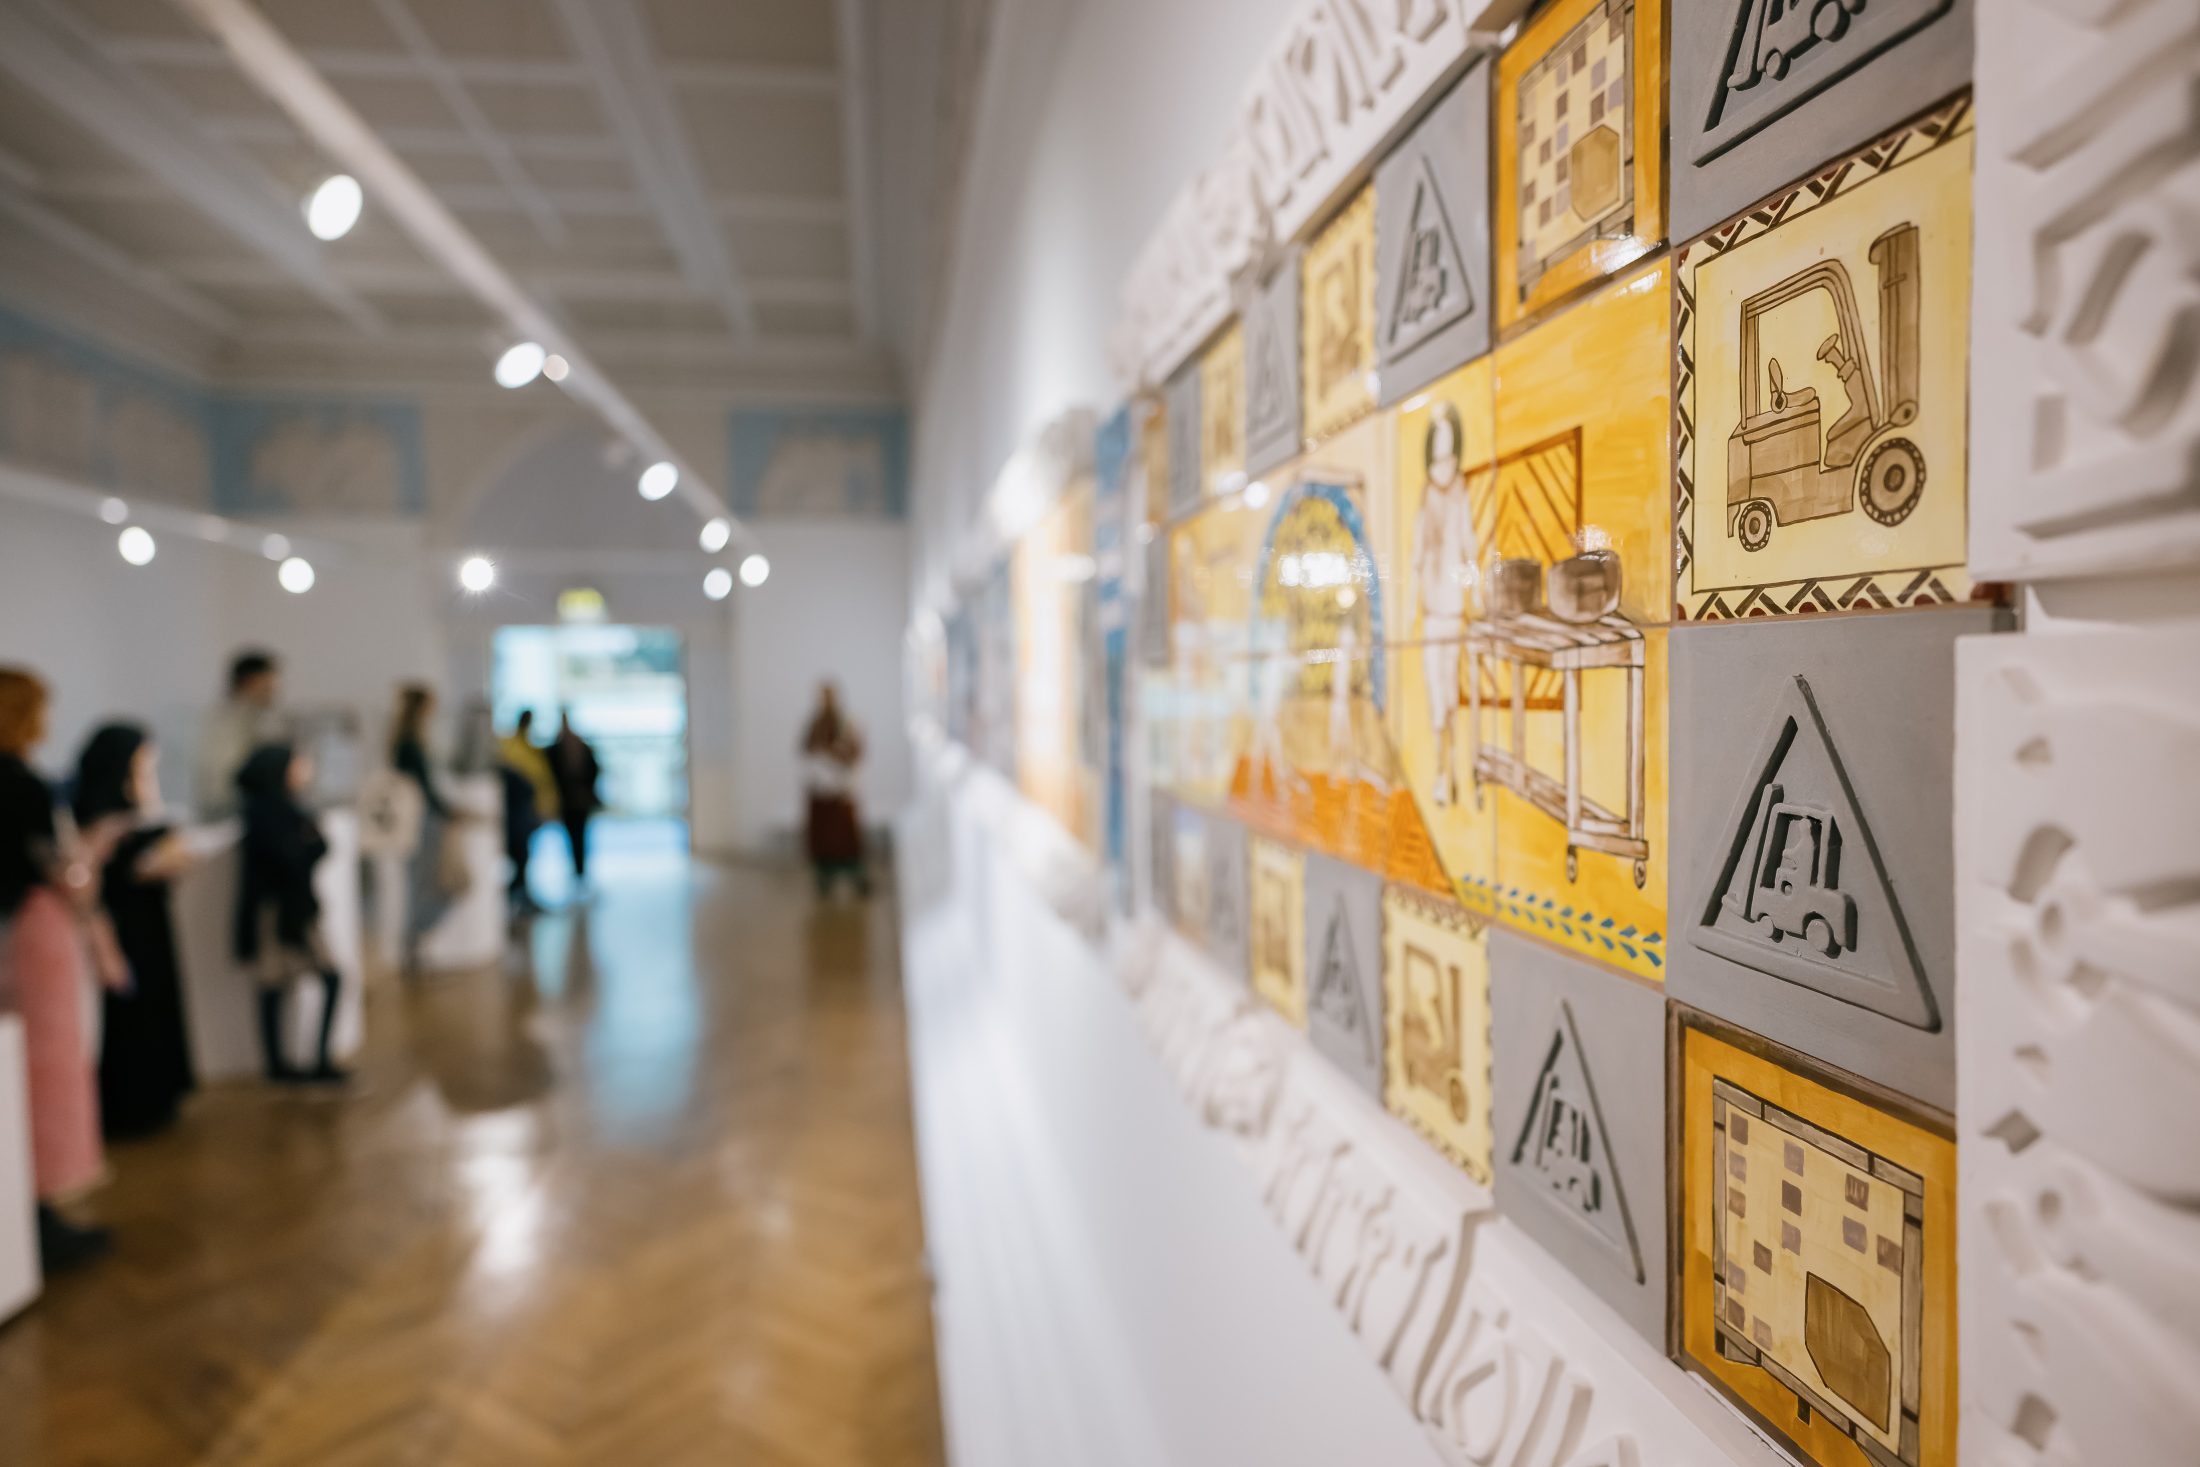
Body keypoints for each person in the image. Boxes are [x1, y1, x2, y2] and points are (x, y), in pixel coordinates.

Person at [0, 668, 113, 1270]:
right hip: (34, 936)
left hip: (10, 935)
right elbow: (64, 877)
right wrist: (90, 858)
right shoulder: (23, 785)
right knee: (46, 1070)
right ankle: (40, 1209)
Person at [73, 724, 200, 1138]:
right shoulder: (93, 808)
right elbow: (92, 871)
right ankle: (129, 1104)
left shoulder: (133, 802)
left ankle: (157, 1094)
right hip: (121, 923)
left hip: (148, 921)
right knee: (128, 1010)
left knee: (153, 1003)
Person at [233, 744, 347, 1085]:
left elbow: (310, 848)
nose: (304, 769)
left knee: (283, 984)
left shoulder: (279, 810)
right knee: (278, 984)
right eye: (298, 764)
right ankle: (288, 1066)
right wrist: (310, 844)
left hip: (290, 910)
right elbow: (297, 854)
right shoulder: (267, 812)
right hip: (279, 913)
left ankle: (298, 1064)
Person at [1412, 402, 1477, 805]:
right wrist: (1409, 610)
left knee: (1449, 697)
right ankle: (1442, 771)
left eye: (1449, 456)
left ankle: (1450, 769)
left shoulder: (1460, 494)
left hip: (1452, 614)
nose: (1444, 466)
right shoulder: (1427, 498)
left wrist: (1479, 593)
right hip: (1433, 615)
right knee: (1437, 695)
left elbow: (1469, 546)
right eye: (1438, 457)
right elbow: (1417, 556)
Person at [390, 684, 456, 969]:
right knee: (425, 885)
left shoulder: (406, 741)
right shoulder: (410, 743)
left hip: (421, 817)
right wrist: (447, 810)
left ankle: (415, 948)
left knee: (422, 884)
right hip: (422, 819)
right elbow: (423, 787)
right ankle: (413, 948)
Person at [195, 650, 287, 818]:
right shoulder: (225, 724)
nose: (273, 693)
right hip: (227, 813)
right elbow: (221, 782)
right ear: (249, 683)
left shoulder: (254, 720)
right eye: (267, 687)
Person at [801, 683, 869, 898]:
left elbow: (854, 750)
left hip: (840, 789)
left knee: (846, 838)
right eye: (823, 696)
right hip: (821, 790)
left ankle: (856, 877)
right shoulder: (815, 722)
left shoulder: (846, 721)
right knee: (823, 837)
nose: (826, 700)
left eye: (829, 696)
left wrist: (835, 753)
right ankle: (825, 879)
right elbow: (806, 746)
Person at [498, 710, 557, 915]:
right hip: (519, 812)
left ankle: (520, 894)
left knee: (526, 856)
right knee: (520, 856)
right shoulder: (512, 746)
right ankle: (516, 895)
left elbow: (541, 781)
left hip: (532, 810)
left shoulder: (529, 747)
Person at [549, 711, 601, 885]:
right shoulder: (559, 747)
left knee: (578, 836)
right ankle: (578, 871)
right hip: (571, 802)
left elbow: (594, 769)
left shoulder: (570, 746)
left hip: (576, 801)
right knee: (575, 837)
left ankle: (580, 871)